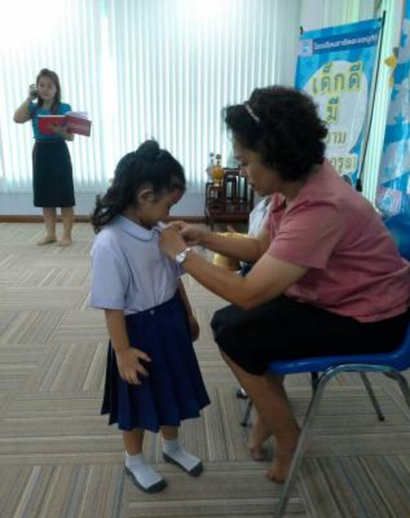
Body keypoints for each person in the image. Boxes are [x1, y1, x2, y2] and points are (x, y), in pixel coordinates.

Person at [159, 86, 410, 484]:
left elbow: (248, 293)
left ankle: (288, 435)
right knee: (233, 326)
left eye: (246, 162)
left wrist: (182, 255)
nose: (243, 171)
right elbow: (262, 248)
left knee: (237, 333)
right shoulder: (294, 185)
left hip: (371, 319)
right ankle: (271, 413)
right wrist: (204, 237)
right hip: (335, 297)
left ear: (275, 155)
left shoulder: (322, 206)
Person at [89, 140, 210, 493]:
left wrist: (188, 314)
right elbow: (112, 307)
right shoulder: (110, 243)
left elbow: (175, 277)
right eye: (168, 204)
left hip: (170, 320)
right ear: (145, 196)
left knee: (173, 388)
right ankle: (135, 460)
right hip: (136, 331)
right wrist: (123, 352)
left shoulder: (159, 232)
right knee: (138, 399)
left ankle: (172, 447)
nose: (170, 212)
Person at [13, 68, 75, 247]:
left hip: (59, 151)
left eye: (49, 86)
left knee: (64, 195)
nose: (45, 89)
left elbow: (71, 137)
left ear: (56, 89)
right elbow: (17, 118)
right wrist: (29, 99)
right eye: (41, 85)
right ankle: (50, 234)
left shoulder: (65, 108)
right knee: (45, 195)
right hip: (40, 151)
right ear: (36, 87)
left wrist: (59, 130)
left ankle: (67, 235)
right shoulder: (33, 108)